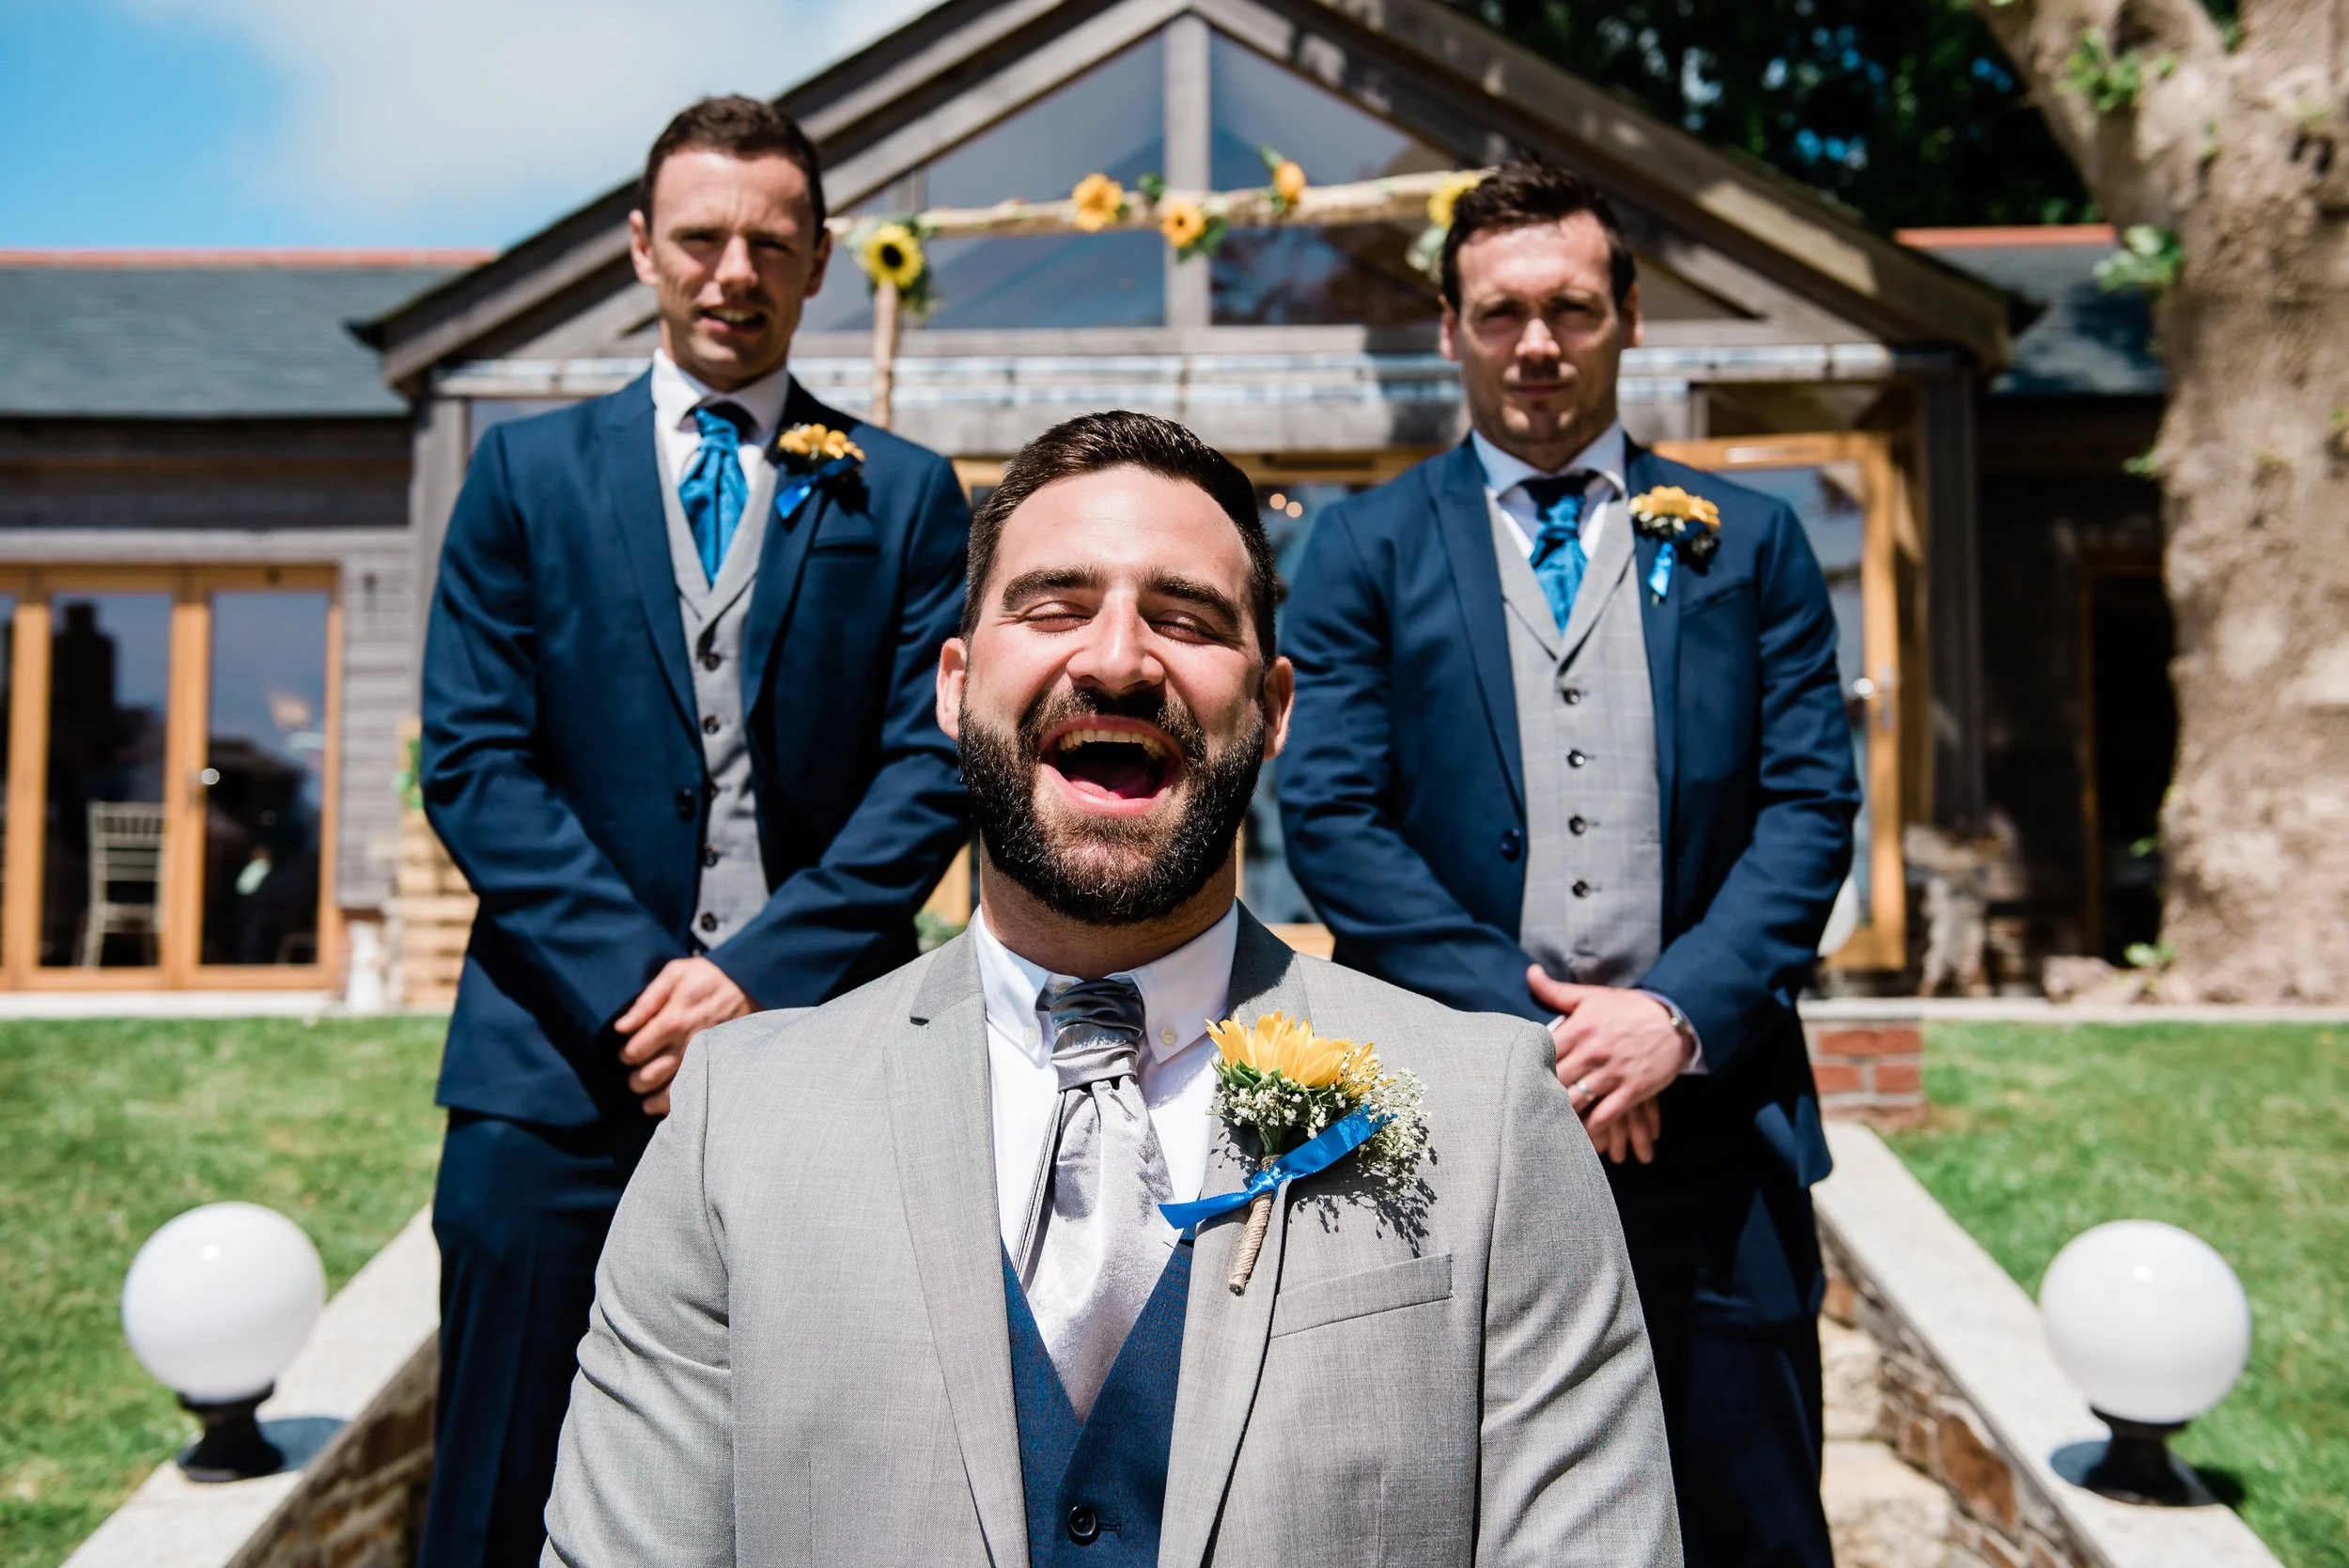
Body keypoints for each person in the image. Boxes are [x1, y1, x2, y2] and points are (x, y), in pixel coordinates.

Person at [541, 411, 1681, 1567]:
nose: (1120, 658)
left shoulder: (1489, 1115)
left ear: (1276, 707)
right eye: (1051, 606)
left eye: (1185, 618)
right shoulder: (736, 1121)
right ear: (952, 686)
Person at [1279, 161, 1859, 1567]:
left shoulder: (1755, 542)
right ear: (1449, 327)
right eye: (1503, 313)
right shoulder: (1362, 546)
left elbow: (1809, 807)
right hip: (1448, 1117)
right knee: (1442, 1504)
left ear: (1630, 318)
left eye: (1572, 309)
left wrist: (1668, 1023)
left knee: (1751, 1519)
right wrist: (1542, 1045)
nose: (1537, 343)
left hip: (1711, 1118)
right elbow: (1335, 818)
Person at [416, 97, 970, 1566]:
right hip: (549, 1071)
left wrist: (754, 980)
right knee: (492, 1485)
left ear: (821, 261)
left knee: (820, 1478)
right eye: (707, 238)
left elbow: (929, 769)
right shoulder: (522, 477)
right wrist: (641, 992)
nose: (738, 269)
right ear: (644, 248)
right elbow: (473, 762)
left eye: (772, 243)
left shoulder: (908, 497)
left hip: (826, 1061)